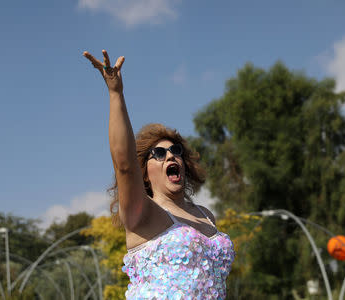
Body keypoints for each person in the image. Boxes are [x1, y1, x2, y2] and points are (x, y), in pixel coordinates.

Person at [83, 49, 235, 300]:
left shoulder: (206, 215)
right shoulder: (142, 213)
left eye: (176, 150)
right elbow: (124, 165)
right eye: (160, 154)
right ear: (144, 172)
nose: (171, 156)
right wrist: (115, 93)